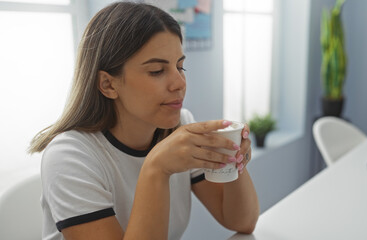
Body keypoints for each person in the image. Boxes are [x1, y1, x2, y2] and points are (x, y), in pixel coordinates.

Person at [29, 2, 259, 239]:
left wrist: (234, 160)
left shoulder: (179, 126)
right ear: (108, 84)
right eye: (157, 71)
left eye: (180, 66)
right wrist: (156, 168)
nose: (179, 83)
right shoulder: (71, 156)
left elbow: (242, 222)